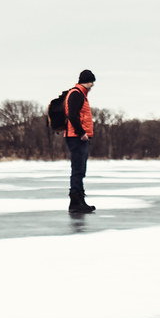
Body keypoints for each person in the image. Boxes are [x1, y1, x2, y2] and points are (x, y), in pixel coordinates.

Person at [65, 70, 96, 213]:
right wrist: (81, 133)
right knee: (78, 170)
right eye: (91, 82)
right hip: (77, 137)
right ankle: (75, 202)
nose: (93, 85)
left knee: (80, 170)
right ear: (86, 81)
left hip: (79, 137)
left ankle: (80, 200)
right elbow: (72, 115)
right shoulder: (76, 94)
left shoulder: (81, 94)